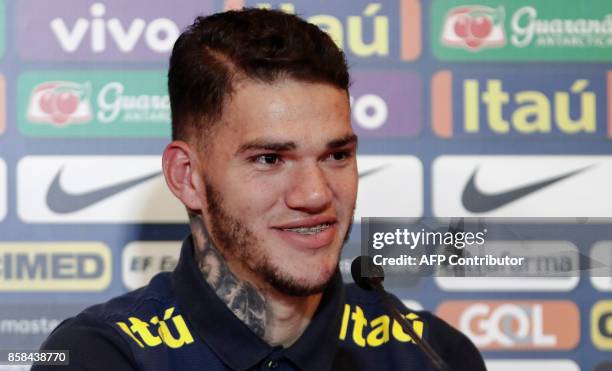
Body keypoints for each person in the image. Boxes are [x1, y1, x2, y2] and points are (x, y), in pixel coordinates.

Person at [33, 8, 486, 371]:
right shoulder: (102, 357)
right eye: (269, 159)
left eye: (336, 155)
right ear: (186, 176)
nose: (314, 194)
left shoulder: (429, 354)